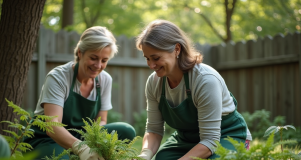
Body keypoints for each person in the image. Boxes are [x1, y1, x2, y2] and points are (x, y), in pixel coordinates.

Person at [135, 20, 252, 160]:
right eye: (147, 58)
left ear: (177, 49)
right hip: (187, 139)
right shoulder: (154, 83)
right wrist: (144, 155)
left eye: (156, 58)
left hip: (226, 135)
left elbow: (210, 140)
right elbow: (154, 130)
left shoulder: (205, 80)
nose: (151, 65)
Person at [24, 26, 136, 160]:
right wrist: (82, 148)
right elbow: (52, 126)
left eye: (104, 60)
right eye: (94, 58)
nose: (98, 65)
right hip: (47, 139)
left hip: (83, 136)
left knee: (126, 130)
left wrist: (96, 143)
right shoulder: (58, 77)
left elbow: (101, 121)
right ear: (80, 53)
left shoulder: (105, 80)